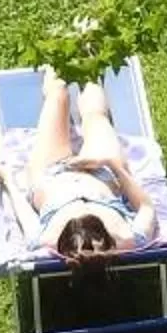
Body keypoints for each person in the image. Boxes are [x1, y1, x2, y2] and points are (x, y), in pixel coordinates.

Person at [22, 68, 157, 261]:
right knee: (95, 115)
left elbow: (24, 211)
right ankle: (89, 53)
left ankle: (57, 49)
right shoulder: (128, 238)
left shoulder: (44, 241)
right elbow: (146, 207)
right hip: (102, 172)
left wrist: (8, 179)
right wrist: (110, 163)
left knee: (58, 92)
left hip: (51, 173)